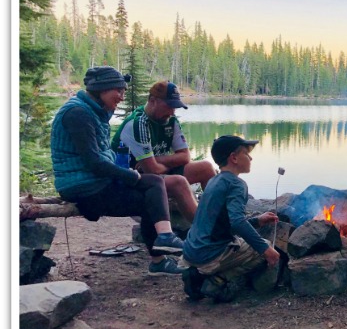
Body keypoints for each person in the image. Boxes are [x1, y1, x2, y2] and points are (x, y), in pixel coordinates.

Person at [51, 66, 186, 276]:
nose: (122, 97)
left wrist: (128, 173)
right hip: (81, 187)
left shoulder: (94, 111)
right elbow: (93, 162)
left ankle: (165, 238)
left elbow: (101, 158)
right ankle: (160, 257)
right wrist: (130, 175)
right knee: (150, 199)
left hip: (96, 182)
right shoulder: (77, 113)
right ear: (101, 89)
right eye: (119, 91)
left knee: (155, 182)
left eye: (124, 91)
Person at [180, 135, 282, 303]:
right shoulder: (236, 184)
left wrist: (257, 221)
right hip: (209, 254)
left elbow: (223, 222)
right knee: (265, 249)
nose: (251, 157)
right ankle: (216, 280)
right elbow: (237, 222)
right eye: (246, 154)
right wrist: (265, 248)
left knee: (244, 240)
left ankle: (196, 274)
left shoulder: (213, 180)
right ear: (234, 158)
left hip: (191, 251)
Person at [111, 81, 216, 222]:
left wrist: (158, 160)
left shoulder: (171, 121)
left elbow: (185, 157)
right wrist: (162, 163)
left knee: (206, 168)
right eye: (169, 106)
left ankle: (220, 219)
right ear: (153, 101)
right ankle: (206, 233)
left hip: (154, 173)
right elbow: (152, 170)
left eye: (175, 107)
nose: (172, 112)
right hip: (129, 181)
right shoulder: (138, 123)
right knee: (179, 182)